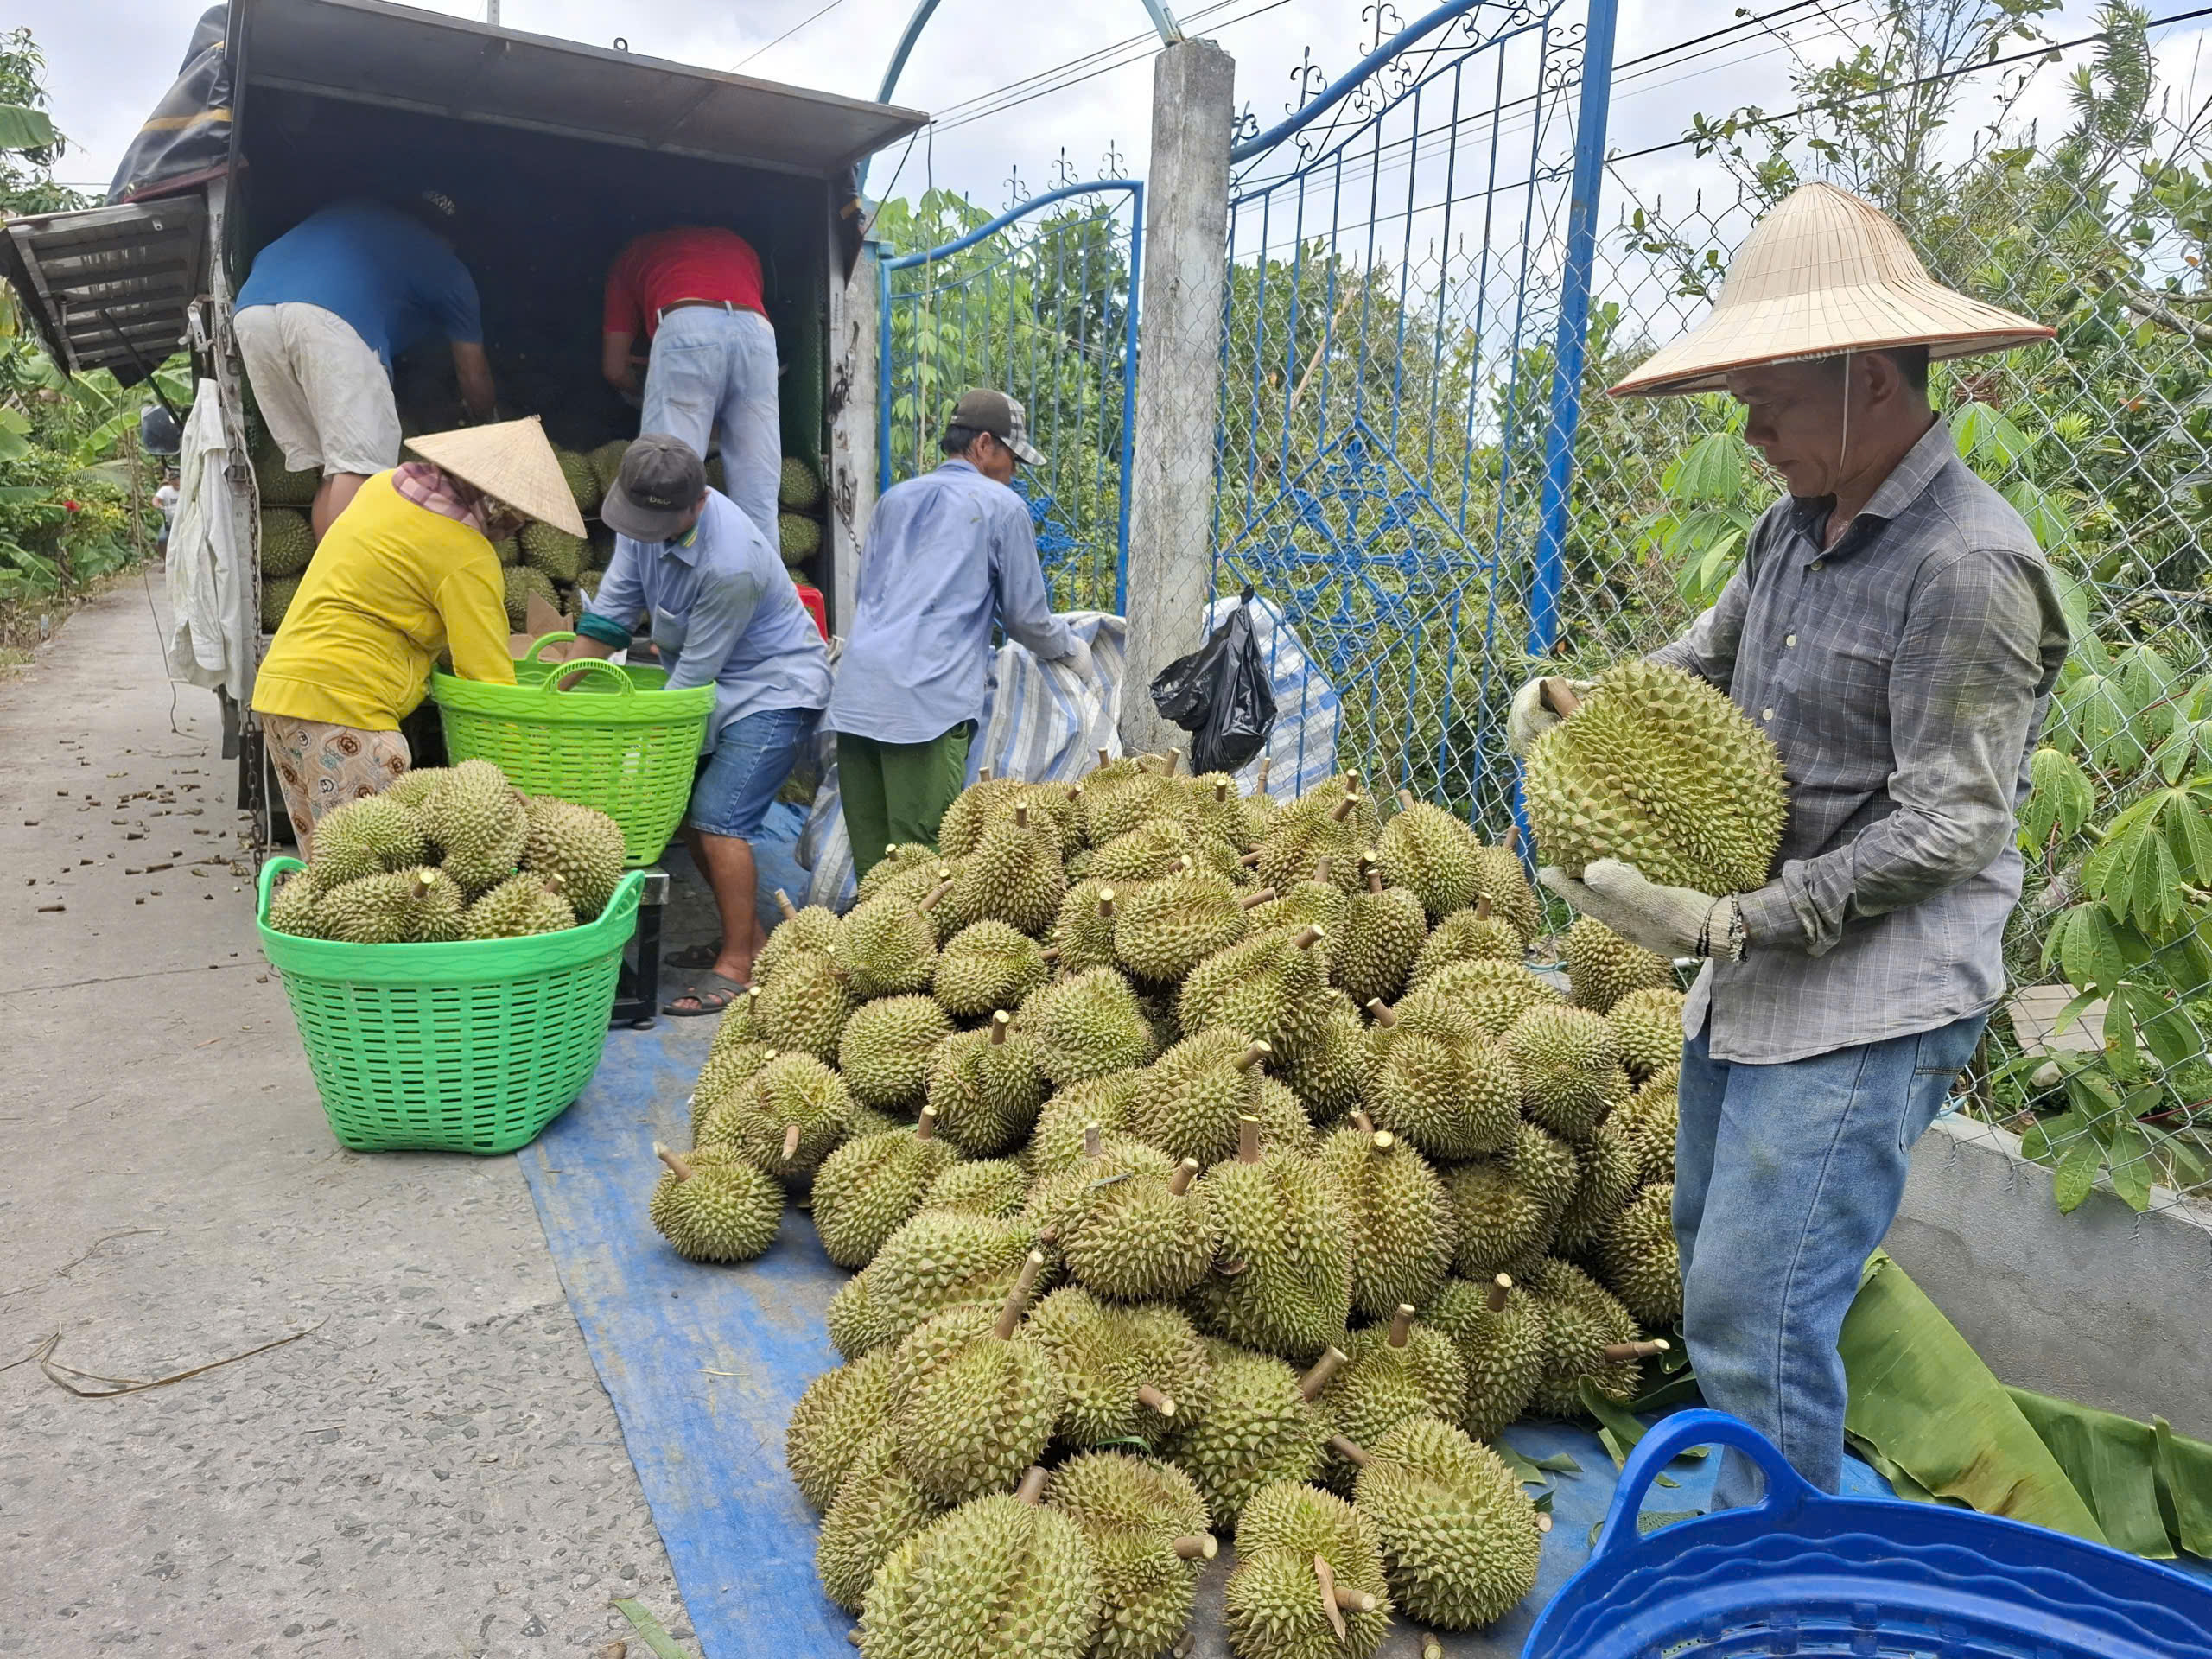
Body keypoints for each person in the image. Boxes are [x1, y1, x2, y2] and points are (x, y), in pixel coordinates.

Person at [1508, 182, 2069, 1509]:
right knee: (1717, 1262)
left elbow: (1953, 819)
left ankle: (1781, 1587)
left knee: (1759, 1312)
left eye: (1768, 396)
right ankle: (1762, 1538)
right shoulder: (1787, 531)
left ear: (1869, 378)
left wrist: (1734, 921)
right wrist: (1580, 702)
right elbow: (1700, 666)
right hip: (1761, 967)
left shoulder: (1968, 568)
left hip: (1873, 989)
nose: (1748, 430)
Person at [568, 435, 832, 1015]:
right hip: (710, 682)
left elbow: (693, 681)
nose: (636, 530)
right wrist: (553, 696)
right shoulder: (645, 524)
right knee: (687, 813)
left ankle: (740, 961)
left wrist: (639, 746)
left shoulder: (729, 561)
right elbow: (609, 618)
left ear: (696, 505)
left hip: (773, 688)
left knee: (719, 818)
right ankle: (752, 938)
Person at [251, 416, 585, 850]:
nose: (517, 528)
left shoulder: (382, 488)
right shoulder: (467, 556)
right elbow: (486, 680)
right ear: (499, 504)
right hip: (349, 714)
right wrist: (535, 768)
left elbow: (394, 589)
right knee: (379, 879)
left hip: (282, 692)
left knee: (328, 872)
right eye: (520, 516)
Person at [824, 388, 1093, 878]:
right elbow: (1026, 619)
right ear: (985, 444)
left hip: (857, 699)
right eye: (1012, 458)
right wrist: (1071, 649)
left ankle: (864, 957)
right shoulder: (1002, 506)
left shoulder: (894, 499)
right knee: (924, 872)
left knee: (875, 873)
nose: (1015, 472)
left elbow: (868, 595)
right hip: (924, 707)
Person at [235, 194, 499, 540]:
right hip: (326, 318)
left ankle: (325, 583)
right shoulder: (446, 265)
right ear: (451, 237)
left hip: (252, 312)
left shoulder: (358, 219)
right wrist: (489, 424)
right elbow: (473, 374)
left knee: (333, 470)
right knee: (360, 466)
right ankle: (348, 588)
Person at [601, 226, 780, 541]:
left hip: (686, 326)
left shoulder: (630, 257)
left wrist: (646, 397)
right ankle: (764, 586)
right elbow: (730, 328)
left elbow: (615, 368)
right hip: (758, 335)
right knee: (758, 495)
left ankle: (663, 588)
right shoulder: (740, 245)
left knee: (662, 489)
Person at [154, 472, 179, 559]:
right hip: (169, 519)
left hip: (184, 519)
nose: (177, 482)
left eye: (178, 479)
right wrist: (159, 506)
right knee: (162, 539)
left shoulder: (186, 489)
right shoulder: (165, 490)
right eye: (174, 480)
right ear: (170, 482)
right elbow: (155, 500)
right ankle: (165, 562)